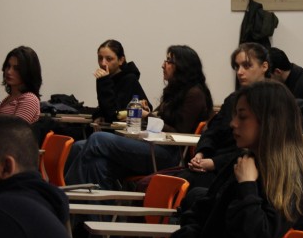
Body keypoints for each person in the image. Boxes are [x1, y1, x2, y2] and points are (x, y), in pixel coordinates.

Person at [103, 81, 303, 238]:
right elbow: (199, 212)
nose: (233, 124)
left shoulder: (290, 177)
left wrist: (247, 186)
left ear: (269, 122)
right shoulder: (244, 161)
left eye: (242, 117)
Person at [65, 45, 213, 190]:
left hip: (170, 154)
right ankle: (90, 205)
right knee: (89, 156)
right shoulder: (175, 91)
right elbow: (160, 119)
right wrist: (147, 112)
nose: (163, 65)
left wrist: (147, 116)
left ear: (183, 66)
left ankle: (67, 194)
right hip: (154, 146)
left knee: (97, 139)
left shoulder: (194, 94)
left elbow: (178, 132)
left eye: (168, 61)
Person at [179, 42, 270, 190]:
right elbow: (211, 132)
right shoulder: (233, 99)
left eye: (247, 66)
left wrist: (214, 163)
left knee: (187, 187)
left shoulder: (272, 102)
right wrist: (201, 154)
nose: (239, 72)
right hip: (214, 164)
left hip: (241, 171)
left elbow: (258, 148)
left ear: (264, 66)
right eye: (237, 67)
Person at [92, 39, 148, 124]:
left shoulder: (129, 79)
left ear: (121, 60)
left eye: (109, 59)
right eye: (100, 58)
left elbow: (113, 114)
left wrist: (104, 81)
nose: (103, 63)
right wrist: (98, 115)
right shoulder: (105, 78)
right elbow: (103, 107)